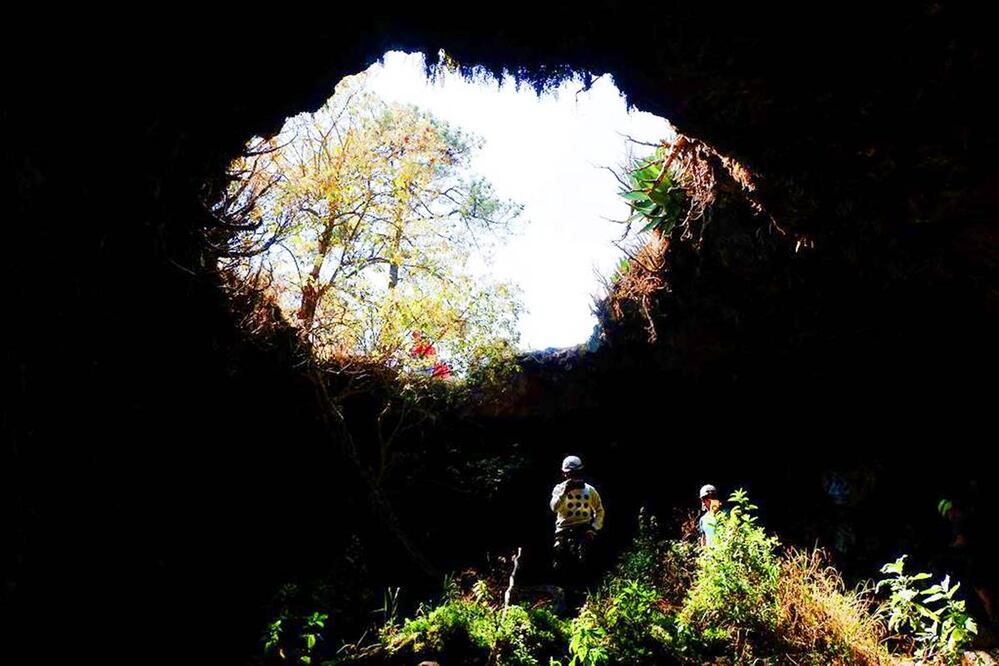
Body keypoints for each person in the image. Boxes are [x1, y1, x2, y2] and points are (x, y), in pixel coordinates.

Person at [550, 455, 605, 584]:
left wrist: (594, 528)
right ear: (564, 474)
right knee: (559, 561)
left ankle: (585, 589)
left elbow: (599, 510)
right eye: (569, 474)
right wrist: (564, 493)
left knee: (585, 560)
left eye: (575, 473)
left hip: (583, 529)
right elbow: (554, 508)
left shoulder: (589, 490)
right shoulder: (559, 489)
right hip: (563, 530)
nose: (572, 477)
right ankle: (562, 589)